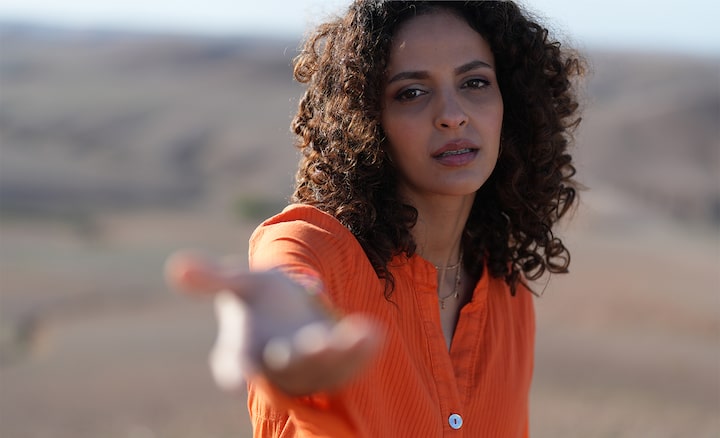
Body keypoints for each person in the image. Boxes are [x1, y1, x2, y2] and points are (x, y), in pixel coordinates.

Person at [165, 1, 584, 436]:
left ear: (510, 105)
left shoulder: (507, 296)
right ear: (368, 120)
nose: (452, 114)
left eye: (475, 82)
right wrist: (291, 321)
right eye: (411, 93)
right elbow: (290, 273)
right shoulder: (319, 246)